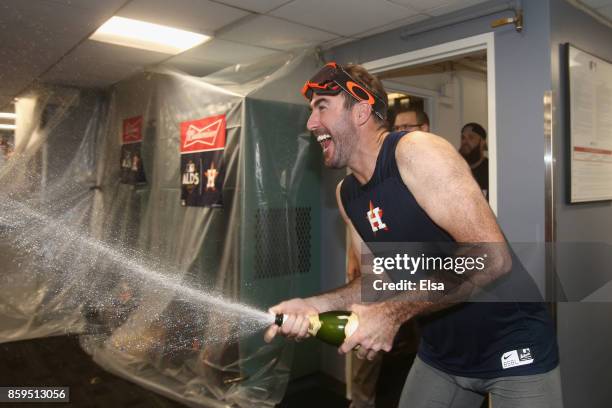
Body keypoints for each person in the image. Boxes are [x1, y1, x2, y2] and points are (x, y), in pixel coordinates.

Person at [265, 62, 562, 407]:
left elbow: (492, 258)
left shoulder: (416, 152)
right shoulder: (347, 195)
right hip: (441, 351)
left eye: (322, 107)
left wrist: (391, 314)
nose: (311, 123)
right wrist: (313, 305)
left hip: (512, 344)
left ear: (361, 110)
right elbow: (377, 280)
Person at [459, 123, 488, 199]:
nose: (465, 142)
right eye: (463, 138)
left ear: (482, 142)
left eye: (471, 137)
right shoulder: (456, 168)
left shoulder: (491, 171)